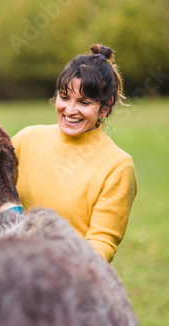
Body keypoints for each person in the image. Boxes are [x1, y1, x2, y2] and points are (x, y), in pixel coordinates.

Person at [12, 44, 137, 263]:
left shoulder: (118, 166)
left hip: (69, 279)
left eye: (84, 102)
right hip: (8, 269)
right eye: (64, 97)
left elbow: (102, 242)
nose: (70, 110)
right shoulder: (25, 140)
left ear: (105, 108)